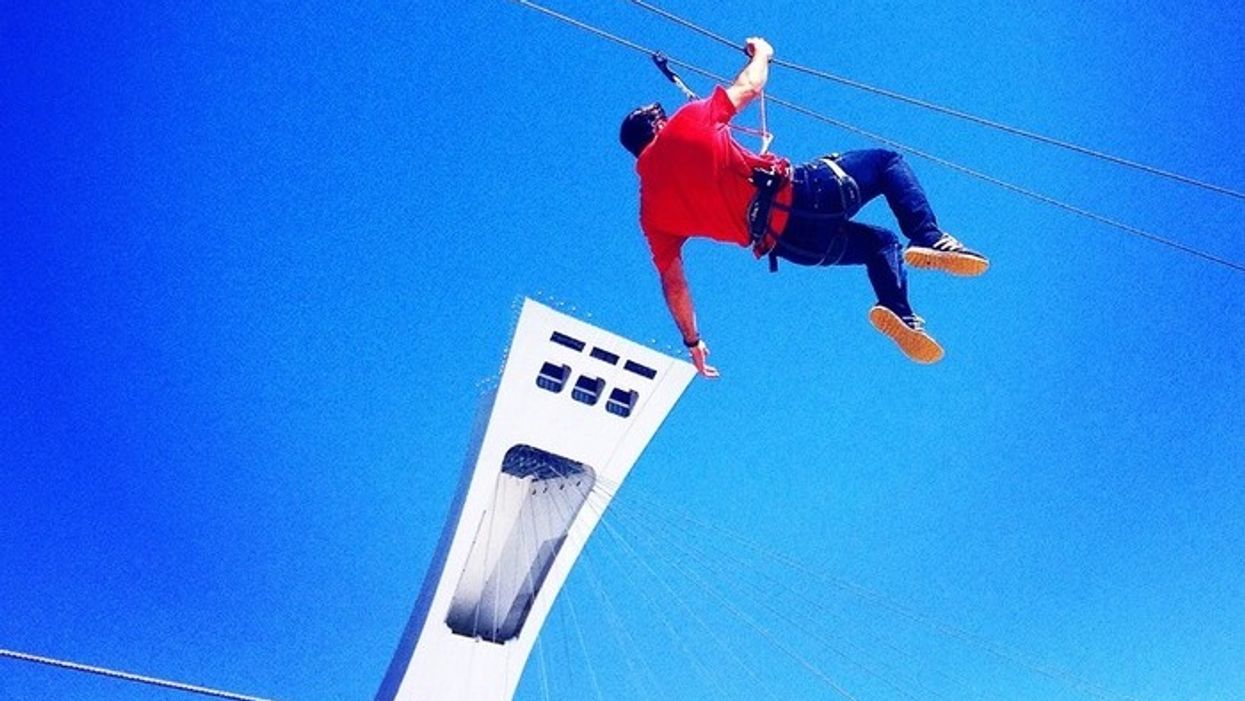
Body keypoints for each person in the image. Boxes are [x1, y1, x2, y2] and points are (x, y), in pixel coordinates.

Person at [620, 37, 988, 377]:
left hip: (793, 245)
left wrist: (692, 341)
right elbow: (749, 86)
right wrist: (762, 53)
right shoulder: (683, 124)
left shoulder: (650, 213)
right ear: (659, 124)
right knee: (886, 162)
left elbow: (674, 284)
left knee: (882, 244)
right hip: (805, 196)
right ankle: (929, 237)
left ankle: (900, 312)